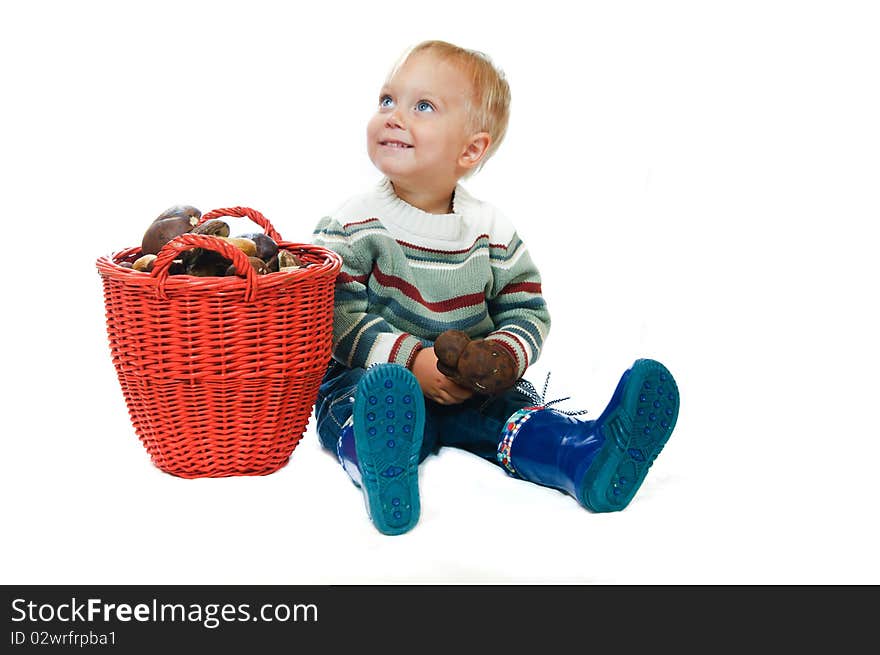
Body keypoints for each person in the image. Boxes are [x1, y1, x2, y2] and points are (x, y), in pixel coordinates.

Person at [311, 40, 680, 535]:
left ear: (471, 149)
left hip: (468, 387)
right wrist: (411, 363)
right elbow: (335, 314)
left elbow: (526, 310)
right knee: (352, 407)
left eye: (422, 107)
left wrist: (500, 360)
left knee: (512, 416)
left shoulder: (491, 231)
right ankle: (378, 466)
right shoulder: (352, 223)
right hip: (378, 380)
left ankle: (583, 458)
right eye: (386, 100)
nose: (393, 116)